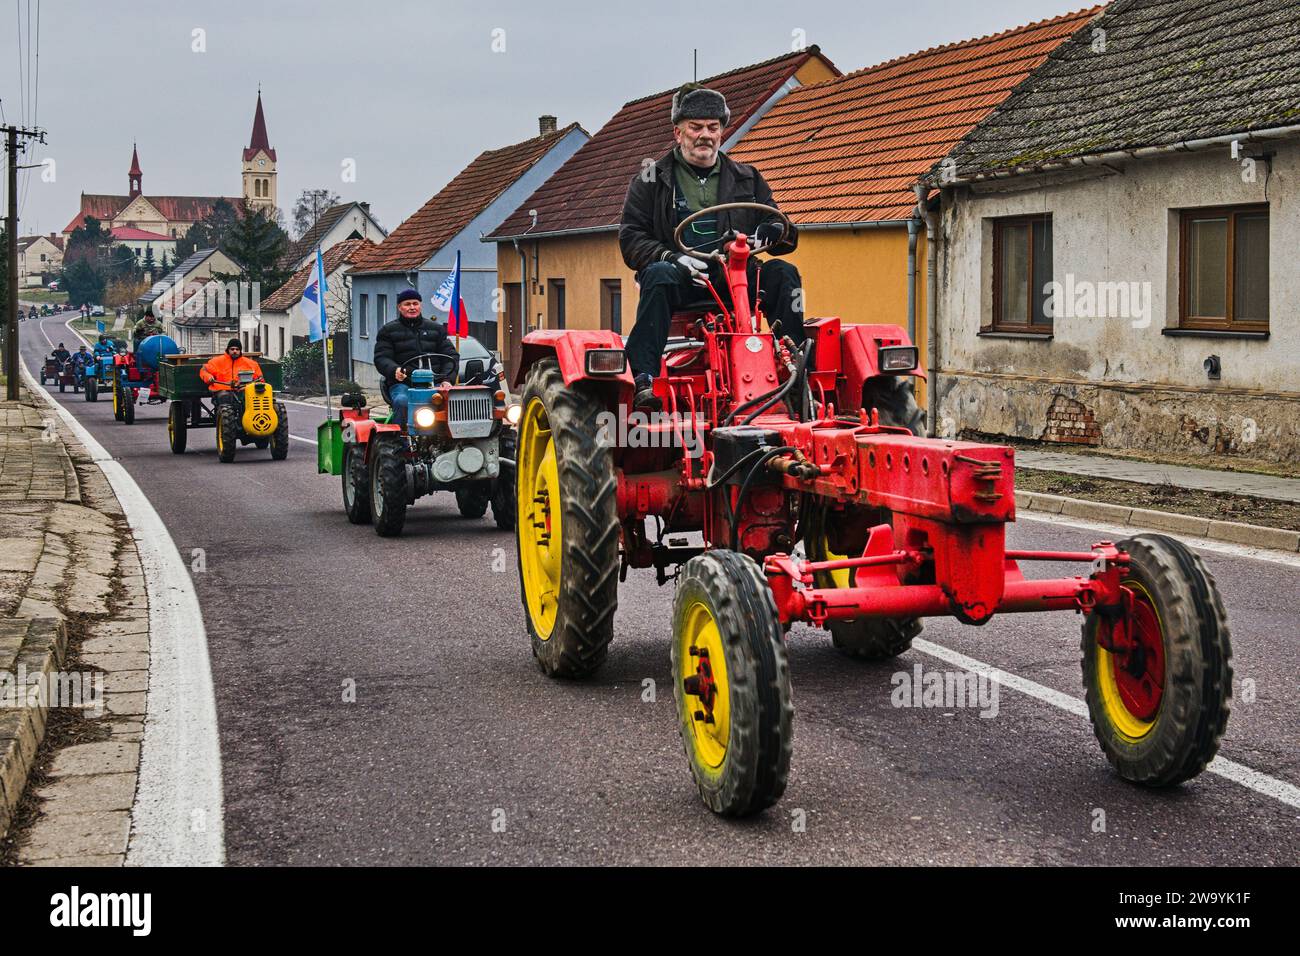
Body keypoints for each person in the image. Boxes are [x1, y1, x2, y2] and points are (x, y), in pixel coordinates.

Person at [619, 83, 803, 409]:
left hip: (734, 280)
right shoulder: (651, 179)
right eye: (696, 127)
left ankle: (796, 372)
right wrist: (672, 257)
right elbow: (632, 238)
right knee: (657, 274)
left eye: (713, 127)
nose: (705, 135)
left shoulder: (748, 177)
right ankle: (644, 379)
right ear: (678, 132)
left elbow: (781, 228)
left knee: (783, 273)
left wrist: (767, 235)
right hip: (682, 279)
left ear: (721, 133)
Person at [372, 288, 459, 427]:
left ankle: (452, 437)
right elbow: (382, 358)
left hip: (435, 382)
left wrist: (447, 379)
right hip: (404, 383)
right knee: (402, 401)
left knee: (453, 401)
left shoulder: (436, 329)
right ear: (400, 307)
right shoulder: (388, 331)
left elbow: (451, 356)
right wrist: (395, 370)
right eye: (407, 304)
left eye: (415, 303)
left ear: (420, 305)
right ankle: (400, 439)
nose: (412, 307)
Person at [199, 338, 264, 400]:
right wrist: (208, 377)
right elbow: (204, 370)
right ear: (228, 350)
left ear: (240, 351)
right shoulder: (216, 362)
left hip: (244, 390)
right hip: (223, 389)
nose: (235, 351)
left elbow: (260, 378)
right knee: (225, 399)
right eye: (232, 349)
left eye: (237, 349)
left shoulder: (251, 363)